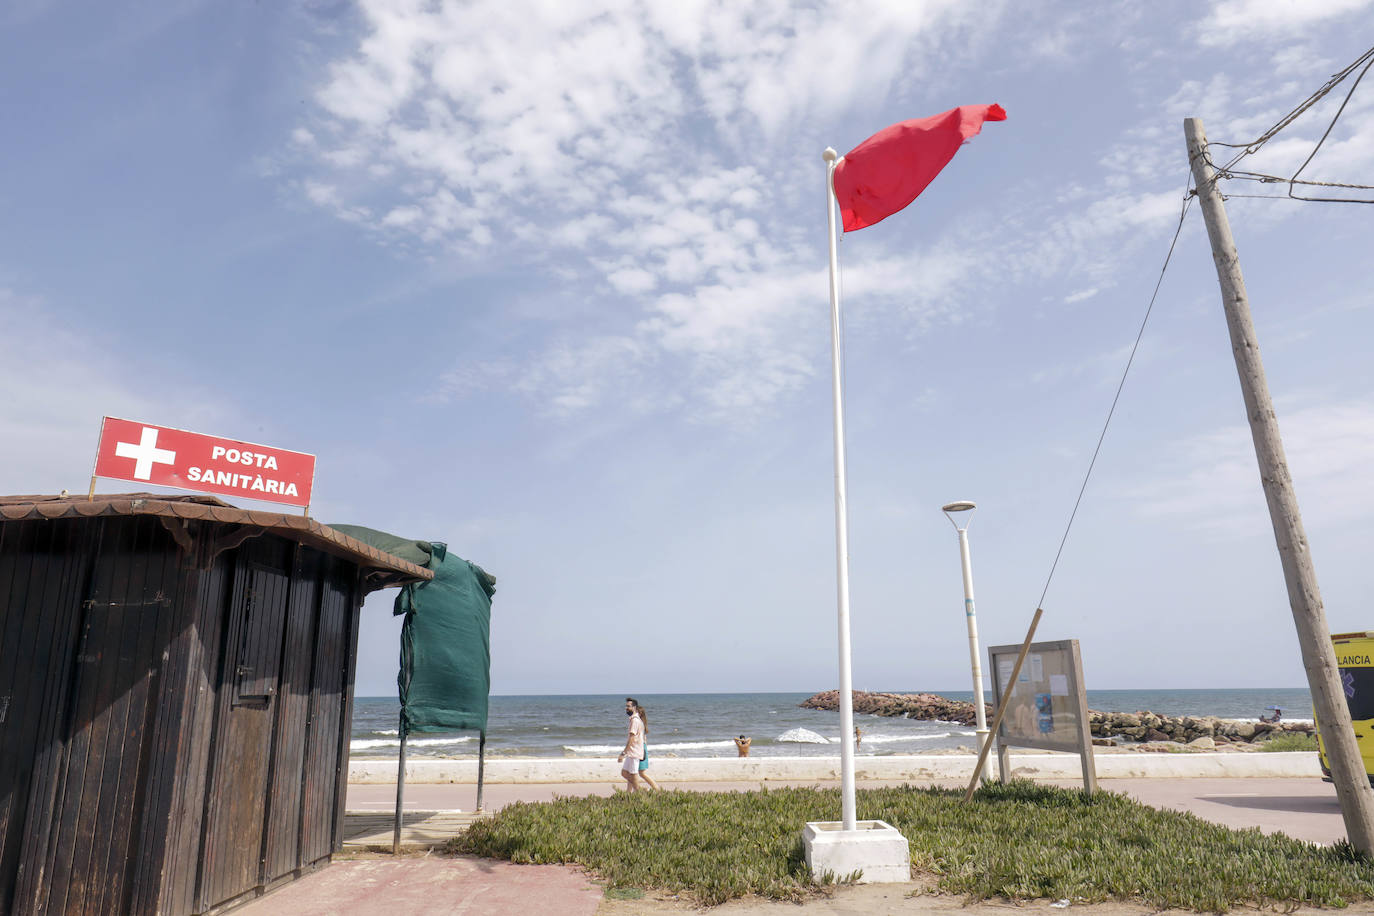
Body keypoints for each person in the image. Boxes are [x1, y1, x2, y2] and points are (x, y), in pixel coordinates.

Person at [617, 696, 644, 791]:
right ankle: (634, 791)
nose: (626, 708)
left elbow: (632, 738)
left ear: (634, 707)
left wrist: (623, 753)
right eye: (626, 706)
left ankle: (640, 792)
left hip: (634, 752)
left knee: (633, 774)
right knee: (625, 773)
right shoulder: (634, 720)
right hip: (632, 752)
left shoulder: (635, 721)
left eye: (628, 706)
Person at [633, 701, 661, 790]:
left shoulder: (638, 724)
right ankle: (638, 790)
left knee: (641, 773)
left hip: (640, 749)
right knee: (635, 773)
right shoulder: (641, 724)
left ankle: (656, 789)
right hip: (641, 749)